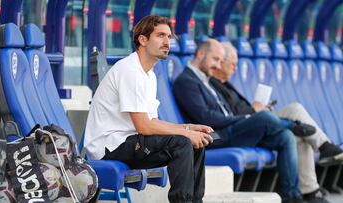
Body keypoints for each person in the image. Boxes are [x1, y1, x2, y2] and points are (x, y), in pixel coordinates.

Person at [84, 15, 214, 203]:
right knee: (181, 143)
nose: (167, 42)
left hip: (132, 141)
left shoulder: (149, 75)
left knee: (196, 144)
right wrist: (185, 134)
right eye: (161, 36)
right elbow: (144, 127)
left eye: (169, 37)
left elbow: (152, 121)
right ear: (142, 40)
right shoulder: (129, 70)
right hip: (111, 145)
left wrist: (188, 128)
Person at [173, 39, 311, 203]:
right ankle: (293, 125)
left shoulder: (206, 80)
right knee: (263, 117)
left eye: (220, 61)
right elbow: (205, 117)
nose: (218, 65)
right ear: (201, 54)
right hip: (212, 136)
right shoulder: (186, 81)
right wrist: (243, 118)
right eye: (215, 59)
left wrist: (241, 119)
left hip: (228, 130)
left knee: (285, 137)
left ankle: (291, 195)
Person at [209, 43, 343, 203]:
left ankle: (310, 190)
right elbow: (230, 116)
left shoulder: (225, 84)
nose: (235, 68)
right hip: (246, 125)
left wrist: (261, 108)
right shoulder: (210, 84)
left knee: (299, 131)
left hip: (254, 121)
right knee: (295, 113)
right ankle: (324, 146)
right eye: (232, 64)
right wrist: (254, 110)